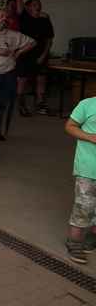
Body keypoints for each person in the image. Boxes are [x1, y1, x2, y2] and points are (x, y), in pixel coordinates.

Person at [0, 9, 36, 141]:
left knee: (1, 104)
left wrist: (18, 52)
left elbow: (32, 42)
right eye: (1, 16)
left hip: (8, 73)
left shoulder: (13, 34)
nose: (4, 19)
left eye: (6, 17)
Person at [64, 96, 96, 264]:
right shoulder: (88, 104)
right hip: (88, 168)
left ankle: (91, 237)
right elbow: (70, 126)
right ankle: (74, 242)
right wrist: (90, 137)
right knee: (84, 207)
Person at [17, 0, 54, 116]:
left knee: (41, 79)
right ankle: (21, 105)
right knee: (22, 79)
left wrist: (44, 55)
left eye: (39, 4)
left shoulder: (45, 20)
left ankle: (40, 104)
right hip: (25, 53)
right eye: (34, 4)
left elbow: (49, 40)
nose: (37, 6)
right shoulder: (24, 18)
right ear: (28, 7)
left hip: (40, 54)